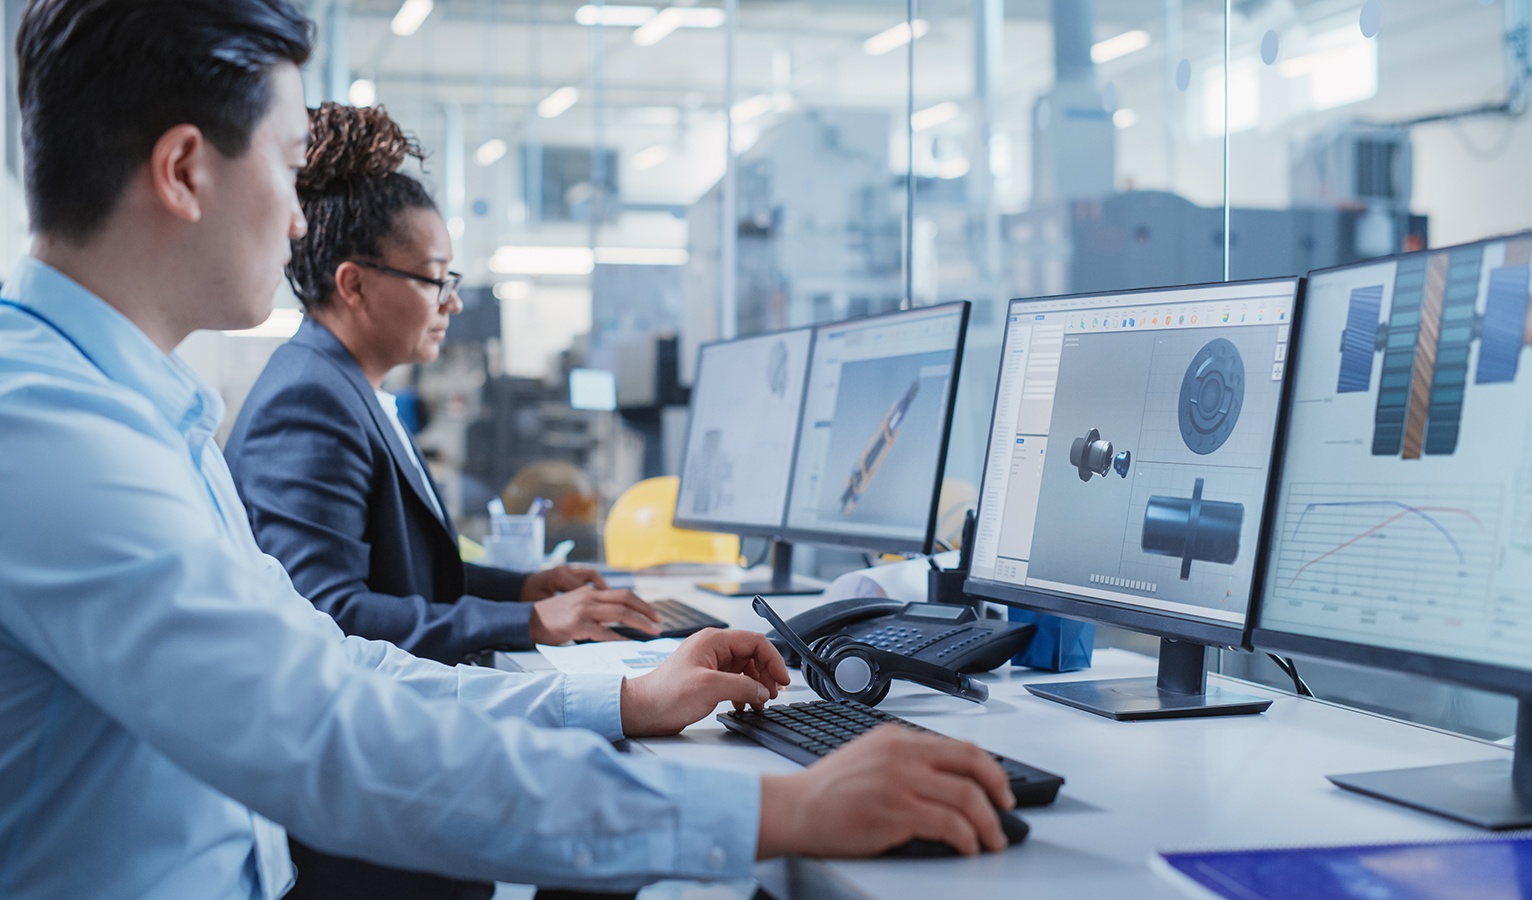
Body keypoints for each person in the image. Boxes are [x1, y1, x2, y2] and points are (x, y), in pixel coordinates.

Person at [0, 1, 1017, 898]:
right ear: (184, 172)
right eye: (286, 165)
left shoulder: (139, 414)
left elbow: (336, 668)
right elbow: (325, 737)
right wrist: (776, 813)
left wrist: (621, 694)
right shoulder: (50, 436)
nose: (302, 218)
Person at [225, 101, 659, 675]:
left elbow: (403, 577)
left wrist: (522, 589)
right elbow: (328, 613)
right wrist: (530, 622)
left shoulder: (343, 386)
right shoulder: (308, 401)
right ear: (354, 285)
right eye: (434, 279)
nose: (451, 303)